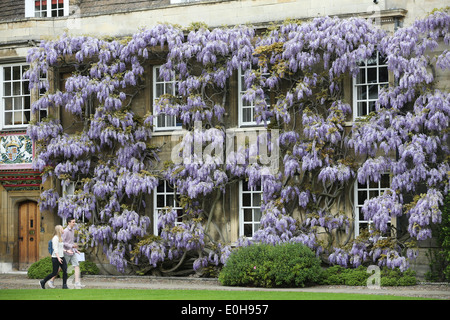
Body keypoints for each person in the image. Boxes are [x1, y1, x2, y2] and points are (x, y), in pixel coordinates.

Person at [63, 217, 85, 289]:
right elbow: (62, 243)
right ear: (69, 223)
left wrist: (75, 250)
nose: (74, 223)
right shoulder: (65, 231)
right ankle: (51, 280)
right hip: (66, 252)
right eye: (73, 222)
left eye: (74, 222)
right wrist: (71, 246)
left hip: (72, 252)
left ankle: (77, 282)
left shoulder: (72, 231)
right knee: (60, 268)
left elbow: (71, 242)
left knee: (76, 265)